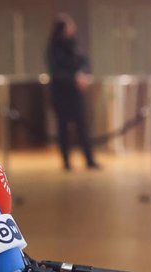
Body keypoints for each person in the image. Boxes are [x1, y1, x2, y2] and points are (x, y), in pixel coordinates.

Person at [46, 13, 100, 171]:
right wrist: (73, 79)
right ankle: (66, 162)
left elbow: (85, 62)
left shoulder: (74, 45)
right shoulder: (53, 48)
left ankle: (89, 159)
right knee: (63, 128)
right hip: (61, 94)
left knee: (83, 126)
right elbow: (55, 72)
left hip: (76, 94)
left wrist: (83, 75)